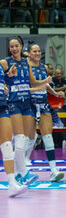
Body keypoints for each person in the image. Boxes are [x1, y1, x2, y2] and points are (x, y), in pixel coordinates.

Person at [1, 36, 51, 185]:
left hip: (26, 102)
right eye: (11, 47)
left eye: (16, 46)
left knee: (24, 139)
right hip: (13, 103)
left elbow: (33, 81)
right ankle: (23, 173)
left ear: (21, 46)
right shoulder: (5, 62)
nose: (14, 49)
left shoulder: (25, 63)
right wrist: (5, 78)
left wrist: (45, 82)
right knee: (19, 135)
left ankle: (18, 172)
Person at [26, 43, 65, 182]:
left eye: (38, 51)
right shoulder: (26, 66)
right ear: (29, 53)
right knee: (30, 138)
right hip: (29, 104)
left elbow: (45, 85)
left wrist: (55, 93)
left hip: (43, 104)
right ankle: (23, 167)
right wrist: (43, 84)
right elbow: (31, 85)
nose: (37, 53)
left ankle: (54, 171)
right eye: (34, 51)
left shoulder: (42, 66)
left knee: (48, 137)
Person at [0, 61, 28, 197]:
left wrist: (8, 77)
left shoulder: (1, 65)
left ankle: (12, 185)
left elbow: (3, 80)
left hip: (2, 105)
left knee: (6, 145)